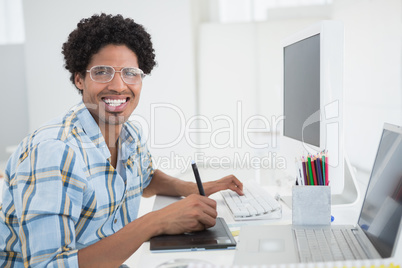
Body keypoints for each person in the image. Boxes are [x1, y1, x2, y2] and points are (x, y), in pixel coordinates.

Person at [0, 13, 243, 267]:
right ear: (79, 79)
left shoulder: (130, 134)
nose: (118, 85)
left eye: (130, 73)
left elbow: (145, 179)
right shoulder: (55, 152)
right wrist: (155, 222)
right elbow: (47, 265)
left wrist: (191, 188)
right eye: (102, 72)